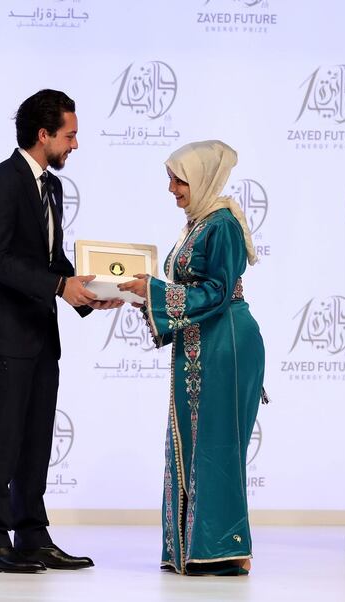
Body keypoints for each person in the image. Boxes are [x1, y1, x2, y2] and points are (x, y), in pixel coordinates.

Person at [0, 89, 121, 573]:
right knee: (4, 439)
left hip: (40, 335)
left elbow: (51, 261)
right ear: (43, 134)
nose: (75, 144)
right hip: (4, 335)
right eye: (70, 135)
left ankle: (32, 533)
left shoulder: (51, 187)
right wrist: (59, 284)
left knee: (36, 441)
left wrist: (91, 291)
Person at [118, 140, 267, 576]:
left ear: (201, 178)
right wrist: (143, 293)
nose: (172, 188)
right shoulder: (199, 222)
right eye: (170, 178)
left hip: (226, 345)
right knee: (193, 443)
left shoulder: (221, 224)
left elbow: (219, 292)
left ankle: (224, 549)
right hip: (202, 341)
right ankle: (192, 548)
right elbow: (193, 291)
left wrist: (155, 291)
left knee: (216, 445)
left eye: (179, 179)